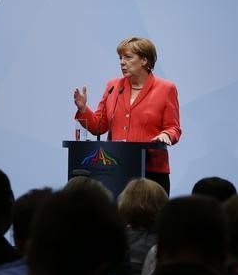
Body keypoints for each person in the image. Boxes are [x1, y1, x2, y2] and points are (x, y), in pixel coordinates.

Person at [74, 37, 181, 194]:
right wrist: (83, 109)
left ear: (144, 60)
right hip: (116, 171)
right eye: (120, 58)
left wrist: (166, 134)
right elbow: (99, 126)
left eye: (128, 57)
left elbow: (174, 128)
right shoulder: (113, 86)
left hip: (151, 173)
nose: (122, 62)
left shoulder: (166, 88)